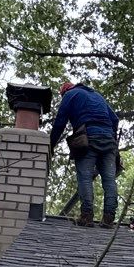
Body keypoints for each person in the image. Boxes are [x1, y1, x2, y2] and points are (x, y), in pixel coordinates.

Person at [50, 80, 120, 226]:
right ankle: (109, 218)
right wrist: (111, 136)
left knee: (85, 177)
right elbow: (114, 119)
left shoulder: (70, 95)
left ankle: (87, 216)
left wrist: (51, 145)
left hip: (88, 139)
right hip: (108, 141)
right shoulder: (97, 96)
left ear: (64, 92)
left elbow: (60, 122)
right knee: (109, 179)